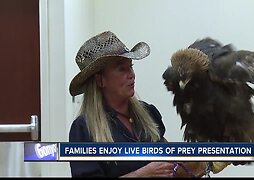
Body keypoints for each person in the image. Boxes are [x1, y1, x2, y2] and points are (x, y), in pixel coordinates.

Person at [68, 31, 210, 178]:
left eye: (131, 66)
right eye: (122, 69)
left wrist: (202, 160)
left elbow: (171, 164)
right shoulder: (84, 129)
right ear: (100, 80)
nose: (131, 74)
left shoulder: (148, 113)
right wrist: (143, 174)